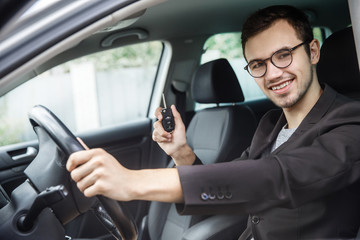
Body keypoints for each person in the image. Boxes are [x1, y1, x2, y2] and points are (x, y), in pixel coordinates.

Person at [66, 5, 360, 239]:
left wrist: (132, 181)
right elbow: (233, 184)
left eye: (283, 55)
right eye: (258, 64)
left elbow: (275, 177)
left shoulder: (351, 123)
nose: (272, 74)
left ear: (312, 52)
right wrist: (182, 153)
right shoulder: (270, 125)